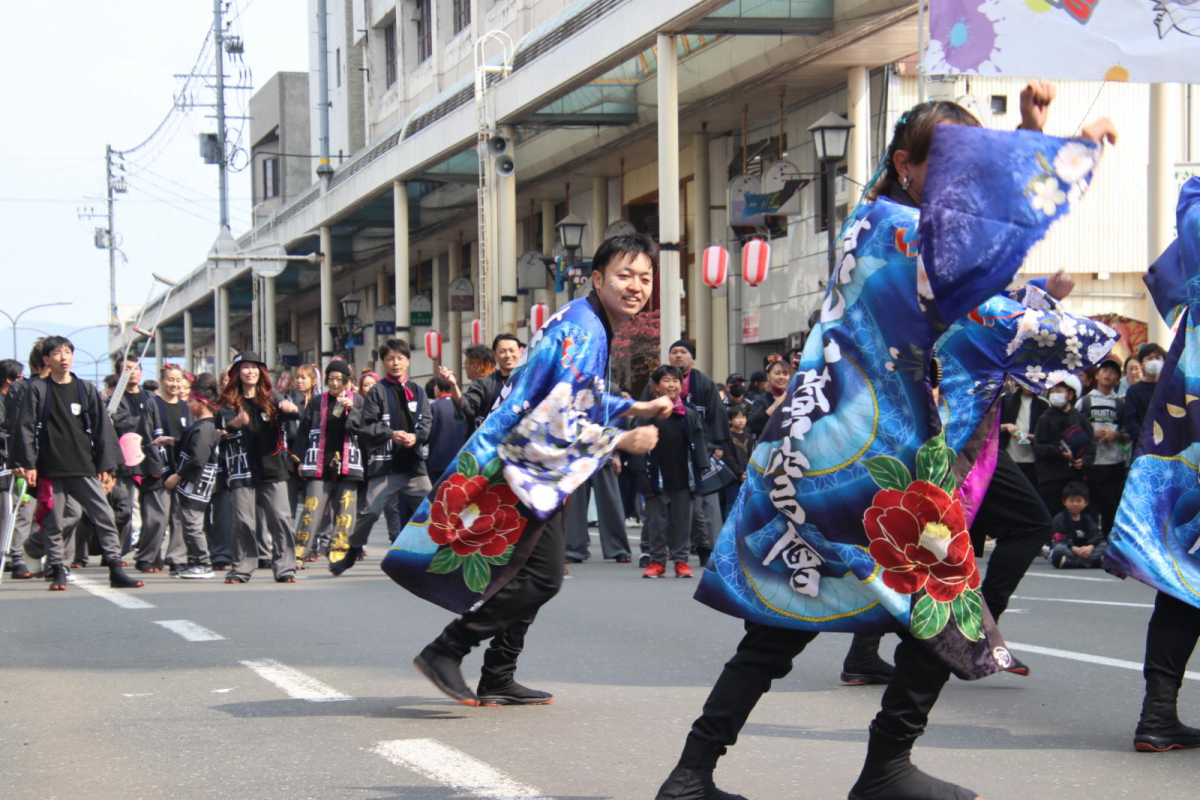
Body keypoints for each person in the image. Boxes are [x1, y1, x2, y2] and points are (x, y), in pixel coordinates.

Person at [658, 89, 1117, 800]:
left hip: (821, 447)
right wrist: (1067, 160)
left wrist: (1033, 135)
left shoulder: (878, 222)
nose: (969, 183)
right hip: (859, 452)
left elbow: (975, 261)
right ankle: (883, 765)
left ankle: (694, 772)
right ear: (906, 165)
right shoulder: (903, 231)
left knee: (788, 625)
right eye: (956, 166)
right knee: (943, 608)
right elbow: (987, 308)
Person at [383, 233, 672, 708]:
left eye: (645, 277)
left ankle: (498, 672)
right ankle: (447, 651)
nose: (636, 286)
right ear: (597, 279)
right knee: (540, 577)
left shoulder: (584, 321)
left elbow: (577, 395)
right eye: (625, 275)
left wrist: (635, 406)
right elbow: (556, 415)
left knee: (525, 571)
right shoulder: (586, 330)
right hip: (522, 463)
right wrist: (622, 437)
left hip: (529, 461)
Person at [1105, 176, 1200, 753]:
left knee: (1185, 559)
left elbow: (1169, 282)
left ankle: (1157, 713)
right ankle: (1158, 715)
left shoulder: (1195, 199)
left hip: (1189, 409)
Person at [11, 336, 144, 591]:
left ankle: (115, 568)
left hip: (84, 466)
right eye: (57, 353)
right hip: (51, 468)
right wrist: (29, 464)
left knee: (104, 515)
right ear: (46, 360)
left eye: (67, 352)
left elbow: (101, 428)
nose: (63, 357)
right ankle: (58, 569)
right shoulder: (37, 389)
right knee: (53, 520)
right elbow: (25, 427)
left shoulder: (85, 388)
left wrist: (107, 466)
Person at [339, 338, 432, 575]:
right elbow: (366, 425)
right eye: (390, 358)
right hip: (385, 466)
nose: (395, 363)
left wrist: (416, 437)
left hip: (413, 467)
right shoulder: (378, 392)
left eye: (400, 358)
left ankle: (441, 557)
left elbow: (426, 423)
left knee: (432, 511)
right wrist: (392, 434)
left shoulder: (419, 392)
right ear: (383, 362)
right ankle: (352, 551)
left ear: (408, 361)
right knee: (370, 511)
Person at [217, 351, 301, 584]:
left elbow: (292, 416)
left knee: (281, 519)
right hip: (242, 469)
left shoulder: (273, 397)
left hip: (273, 468)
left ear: (261, 372)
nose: (250, 371)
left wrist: (290, 409)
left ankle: (285, 568)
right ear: (237, 373)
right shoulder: (228, 401)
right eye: (245, 367)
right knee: (243, 521)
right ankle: (242, 568)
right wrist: (236, 422)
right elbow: (225, 423)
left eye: (254, 367)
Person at [651, 339, 731, 566]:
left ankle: (708, 548)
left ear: (692, 357)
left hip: (701, 451)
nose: (678, 355)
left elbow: (716, 416)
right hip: (667, 456)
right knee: (663, 509)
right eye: (674, 352)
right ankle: (659, 554)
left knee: (704, 507)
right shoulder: (656, 386)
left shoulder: (704, 382)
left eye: (683, 352)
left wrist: (715, 446)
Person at [633, 364, 708, 579]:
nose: (672, 384)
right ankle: (657, 561)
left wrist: (700, 478)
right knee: (657, 523)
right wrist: (641, 476)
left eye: (676, 380)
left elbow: (700, 445)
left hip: (684, 477)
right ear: (655, 386)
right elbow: (637, 446)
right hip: (656, 477)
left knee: (684, 522)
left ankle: (681, 562)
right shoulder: (646, 414)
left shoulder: (690, 415)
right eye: (666, 380)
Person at [292, 360, 364, 565]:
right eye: (331, 379)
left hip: (348, 463)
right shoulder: (317, 402)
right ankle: (299, 551)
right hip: (319, 462)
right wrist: (299, 460)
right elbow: (303, 432)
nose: (334, 384)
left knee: (345, 511)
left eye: (339, 380)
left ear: (347, 382)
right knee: (311, 508)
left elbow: (367, 428)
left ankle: (339, 553)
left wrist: (353, 410)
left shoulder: (358, 401)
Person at [132, 363, 192, 574]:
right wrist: (154, 465)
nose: (175, 384)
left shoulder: (186, 406)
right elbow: (145, 436)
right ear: (162, 382)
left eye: (178, 380)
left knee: (179, 515)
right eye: (170, 380)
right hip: (159, 468)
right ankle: (147, 556)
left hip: (182, 469)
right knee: (157, 517)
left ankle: (176, 557)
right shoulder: (152, 405)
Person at [1078, 357, 1128, 533]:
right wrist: (1091, 433)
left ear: (1118, 379)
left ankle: (1108, 542)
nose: (1109, 375)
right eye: (1105, 371)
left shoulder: (1121, 404)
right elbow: (1074, 430)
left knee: (1111, 507)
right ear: (1097, 375)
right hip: (1092, 462)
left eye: (1113, 372)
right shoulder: (1084, 402)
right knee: (1090, 506)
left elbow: (1129, 434)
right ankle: (1091, 542)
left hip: (1115, 462)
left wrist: (1117, 435)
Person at [1034, 375, 1094, 517]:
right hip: (1051, 479)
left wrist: (1084, 461)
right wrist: (1058, 452)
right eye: (1052, 390)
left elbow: (1091, 445)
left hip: (1074, 479)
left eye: (1059, 390)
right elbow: (1038, 447)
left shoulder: (1080, 418)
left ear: (1070, 394)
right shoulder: (1045, 418)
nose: (1054, 393)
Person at [1000, 383, 1049, 489]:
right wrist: (1007, 426)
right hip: (1008, 457)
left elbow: (1049, 436)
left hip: (1033, 460)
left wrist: (1030, 436)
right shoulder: (1006, 399)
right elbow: (990, 427)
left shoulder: (1044, 404)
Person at [1047, 481, 1105, 568]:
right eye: (1071, 501)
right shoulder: (1059, 519)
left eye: (1079, 501)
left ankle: (1075, 563)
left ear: (1085, 503)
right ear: (1064, 501)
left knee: (1105, 545)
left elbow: (1097, 536)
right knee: (1059, 548)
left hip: (1085, 551)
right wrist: (1075, 549)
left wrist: (1090, 547)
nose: (1075, 504)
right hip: (1070, 550)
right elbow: (1058, 538)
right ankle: (1090, 563)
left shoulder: (1087, 519)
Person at [1124, 342, 1166, 452]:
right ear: (1141, 363)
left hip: (1168, 450)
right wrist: (1147, 441)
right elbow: (1130, 422)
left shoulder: (1171, 389)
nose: (1154, 361)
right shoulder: (1133, 391)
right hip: (1142, 450)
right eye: (1149, 358)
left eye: (1158, 358)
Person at [426, 375, 467, 481]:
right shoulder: (465, 405)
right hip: (462, 461)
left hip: (439, 461)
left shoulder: (434, 407)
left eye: (435, 386)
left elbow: (426, 433)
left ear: (440, 388)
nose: (434, 389)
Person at [746, 356, 792, 439]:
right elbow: (752, 425)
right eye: (777, 373)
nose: (782, 377)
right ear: (768, 376)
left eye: (785, 374)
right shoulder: (760, 400)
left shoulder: (794, 399)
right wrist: (773, 407)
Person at [720, 407, 753, 521]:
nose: (741, 420)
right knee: (732, 504)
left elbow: (751, 456)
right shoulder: (727, 436)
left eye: (743, 417)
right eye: (737, 417)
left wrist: (748, 472)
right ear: (730, 420)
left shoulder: (748, 436)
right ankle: (729, 530)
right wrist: (739, 473)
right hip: (732, 477)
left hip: (746, 476)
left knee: (746, 504)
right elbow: (727, 457)